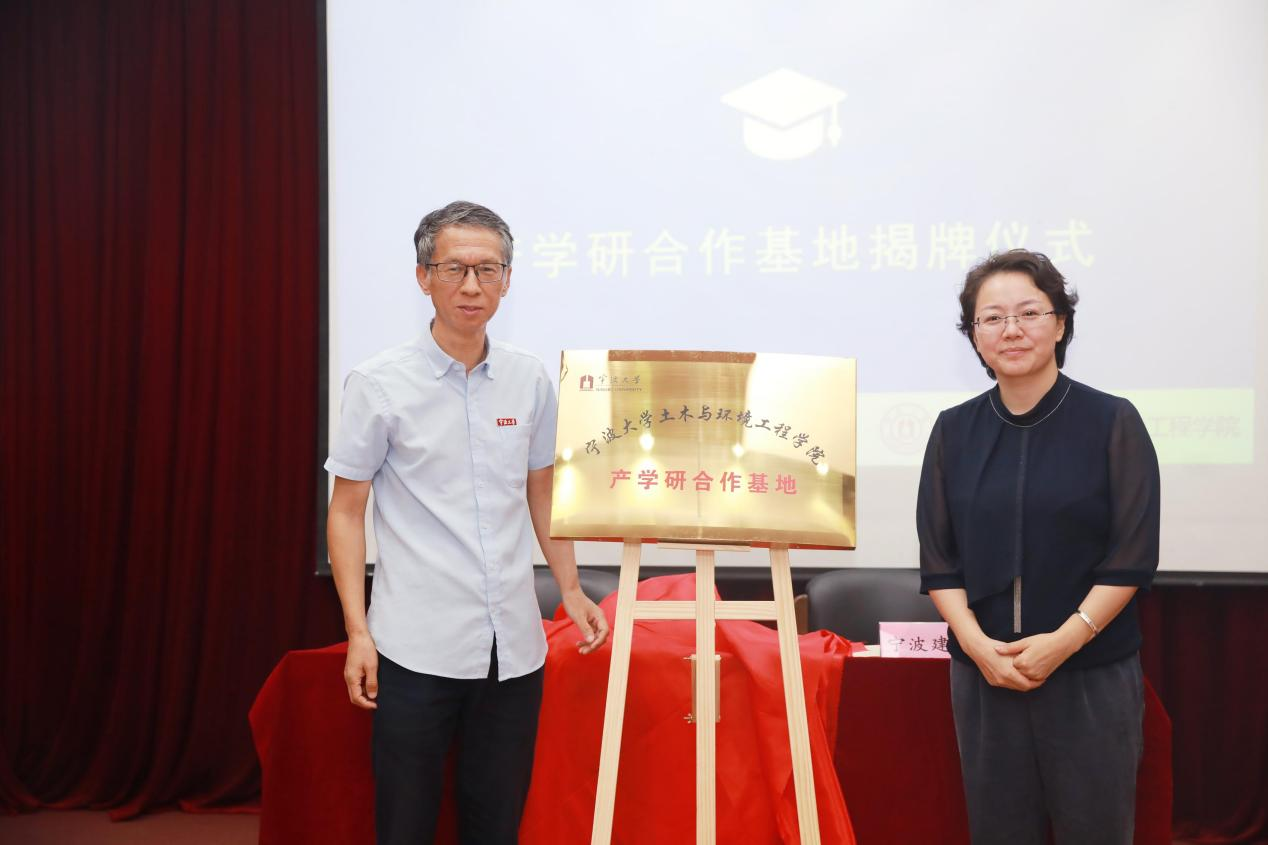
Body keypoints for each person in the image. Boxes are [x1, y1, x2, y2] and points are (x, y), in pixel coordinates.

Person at [324, 200, 610, 845]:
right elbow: (346, 510)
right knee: (406, 822)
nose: (472, 286)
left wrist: (569, 587)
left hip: (513, 645)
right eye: (454, 268)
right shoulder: (378, 383)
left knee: (495, 822)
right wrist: (357, 632)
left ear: (507, 279)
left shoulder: (528, 379)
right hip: (415, 643)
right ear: (423, 276)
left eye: (488, 269)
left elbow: (543, 490)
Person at [916, 249, 1160, 845]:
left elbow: (1131, 556)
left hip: (1090, 672)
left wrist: (1064, 641)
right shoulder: (953, 430)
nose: (1011, 330)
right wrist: (978, 647)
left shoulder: (1112, 421)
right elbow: (940, 561)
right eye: (992, 318)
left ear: (1060, 324)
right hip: (985, 674)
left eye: (1029, 313)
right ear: (975, 337)